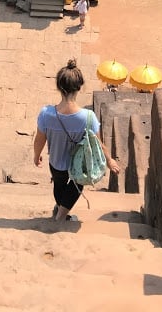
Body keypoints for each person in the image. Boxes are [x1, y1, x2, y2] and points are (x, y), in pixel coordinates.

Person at [33, 59, 120, 222]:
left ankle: (59, 209)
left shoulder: (46, 114)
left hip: (56, 161)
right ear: (79, 87)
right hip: (79, 164)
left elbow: (39, 140)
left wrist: (36, 155)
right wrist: (109, 160)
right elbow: (98, 143)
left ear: (59, 87)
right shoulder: (88, 117)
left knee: (58, 185)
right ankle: (61, 216)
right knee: (76, 185)